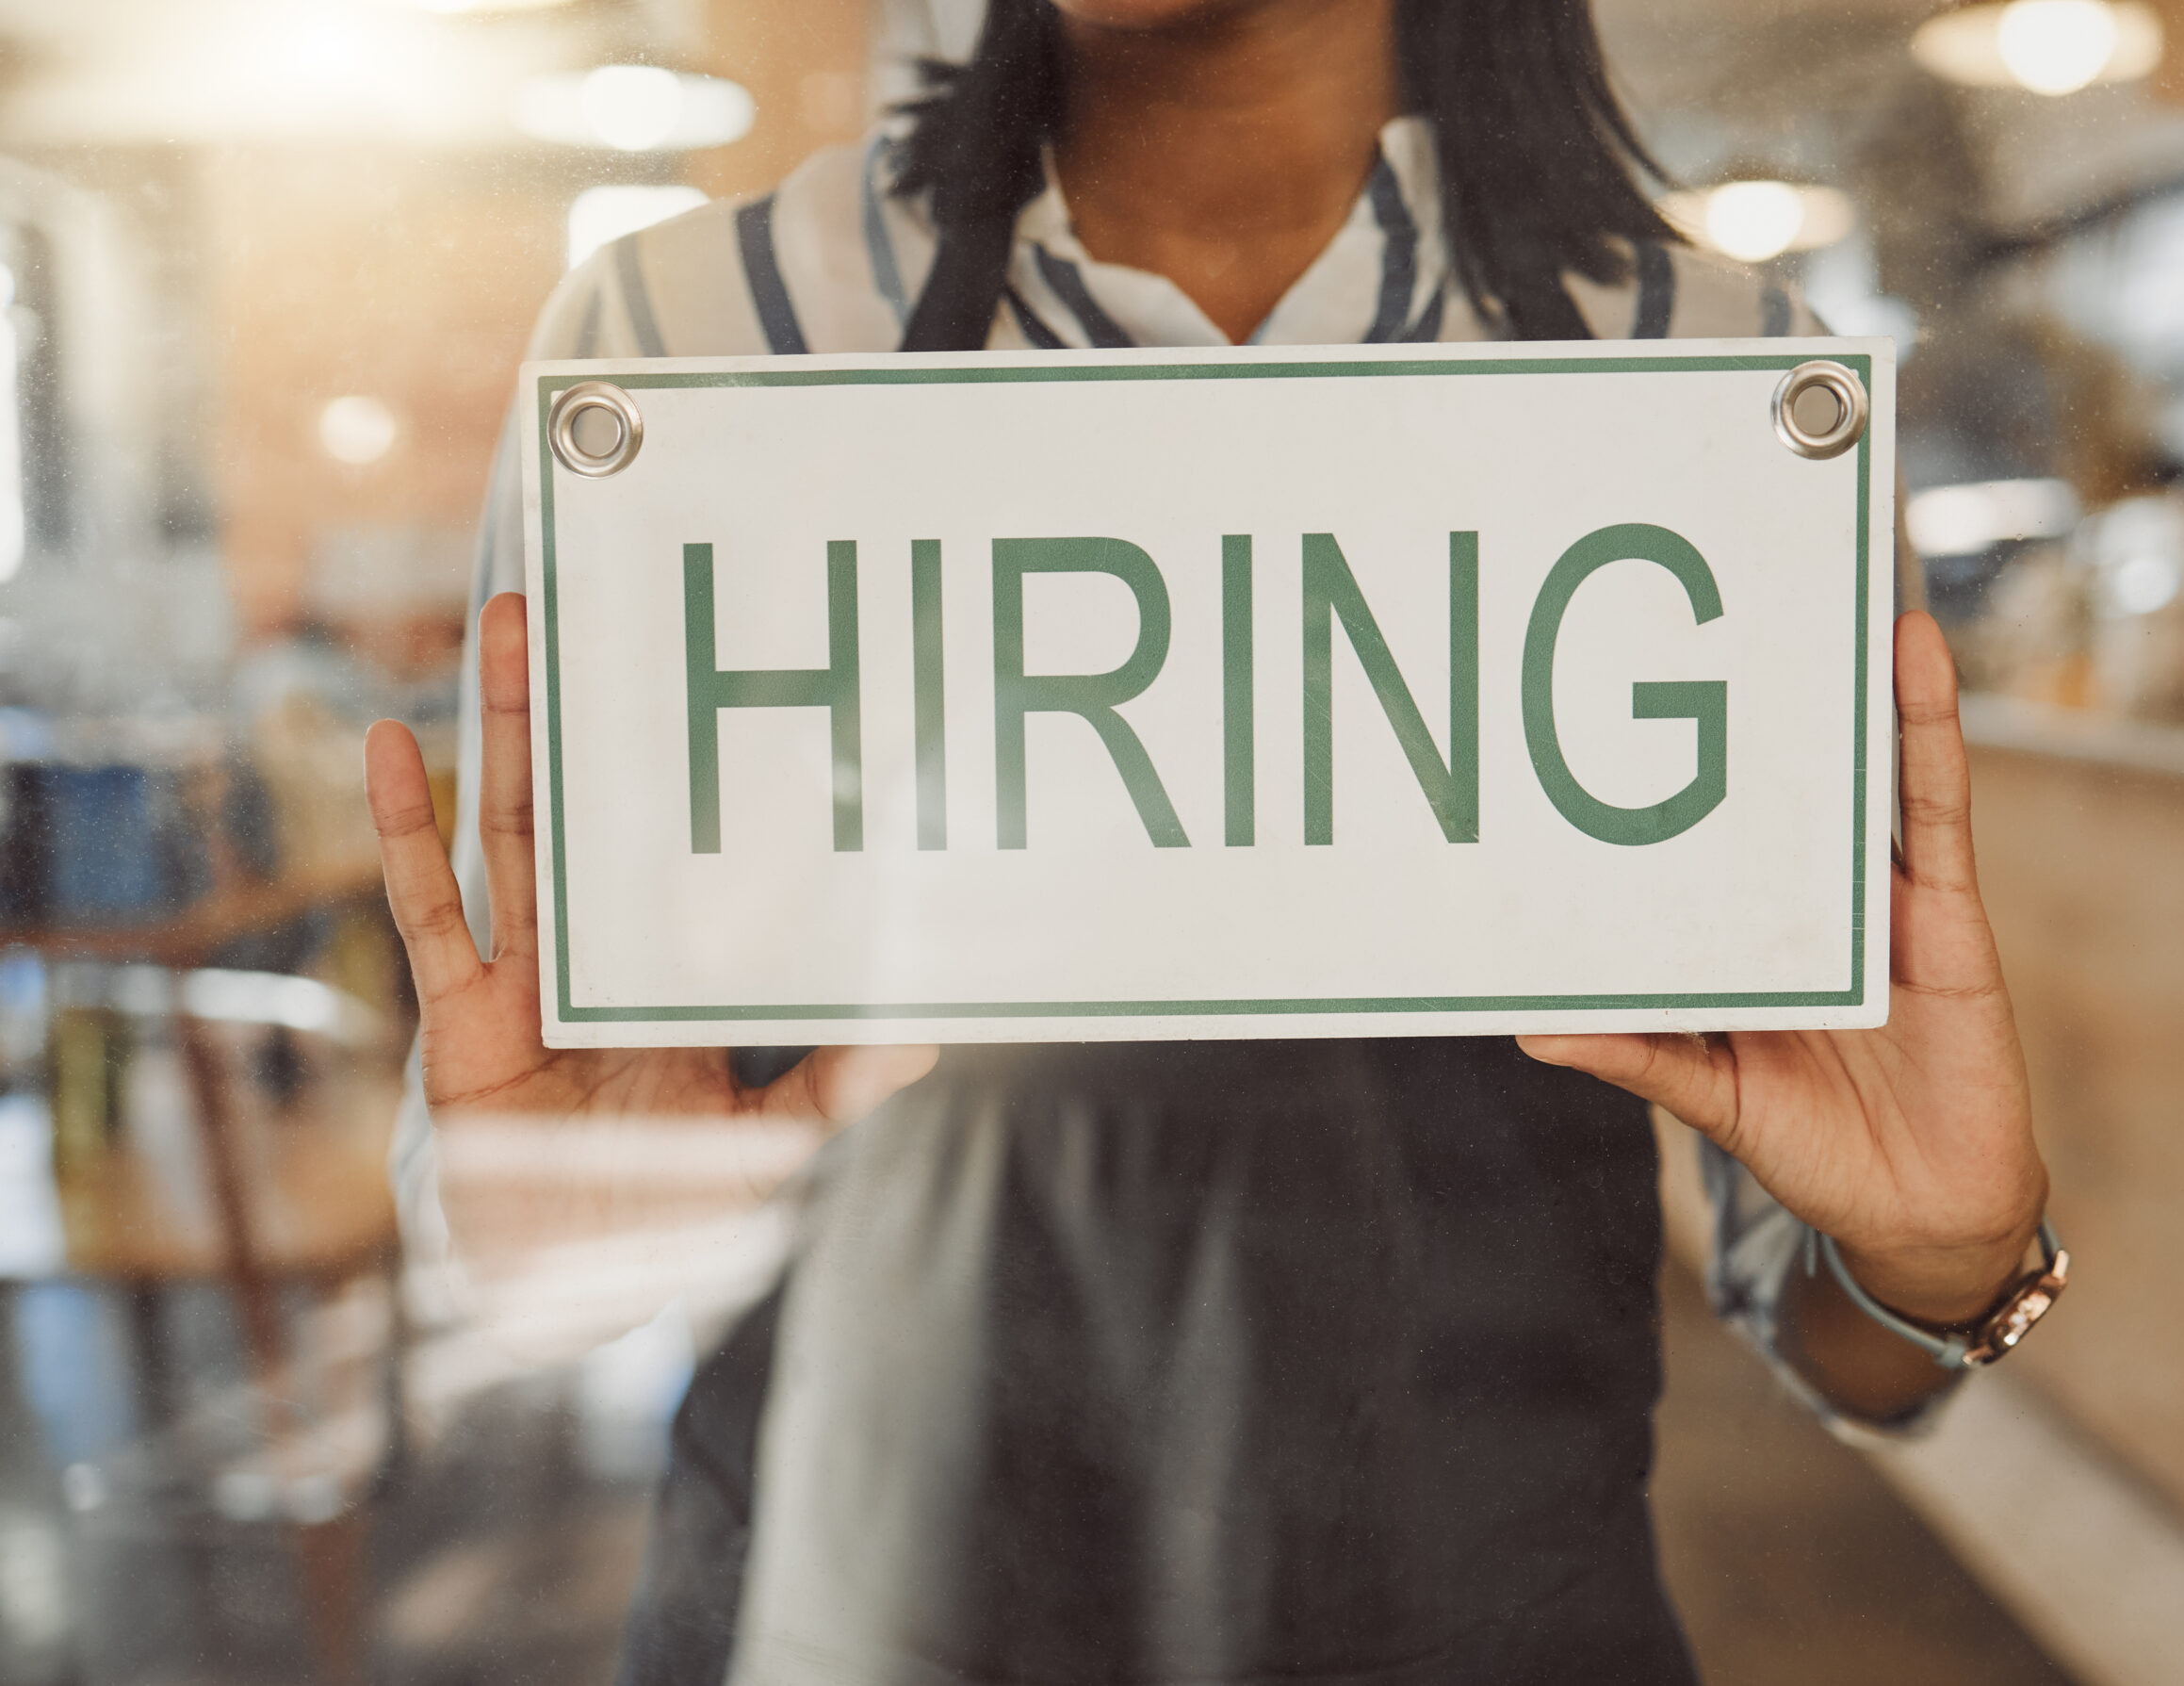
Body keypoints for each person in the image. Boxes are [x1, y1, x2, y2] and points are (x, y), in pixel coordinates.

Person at [370, 0, 2050, 1679]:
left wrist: (1954, 1261)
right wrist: (543, 1232)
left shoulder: (1723, 382)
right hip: (856, 1605)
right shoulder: (681, 341)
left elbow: (1851, 1335)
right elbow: (560, 1184)